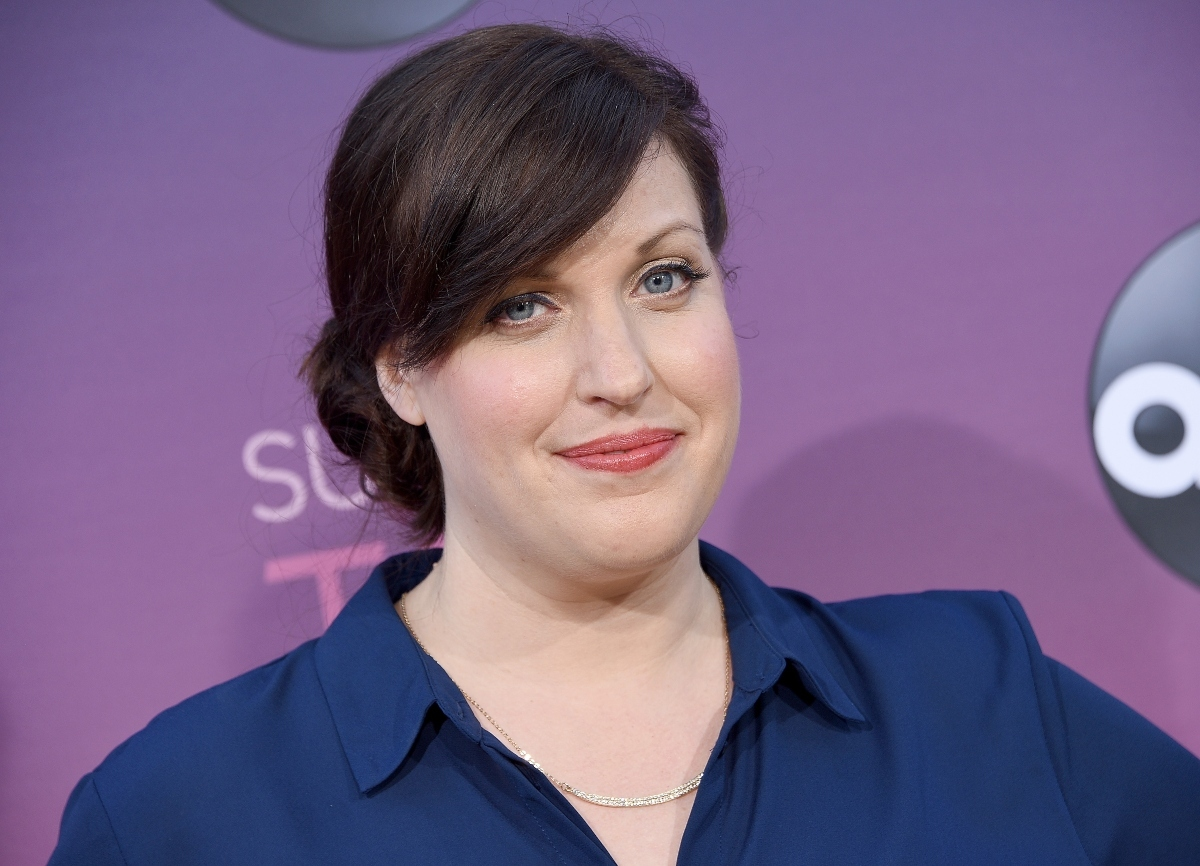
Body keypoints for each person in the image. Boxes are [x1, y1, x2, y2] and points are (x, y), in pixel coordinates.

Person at [49, 22, 1199, 866]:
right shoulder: (176, 817)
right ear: (399, 365)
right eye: (521, 304)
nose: (621, 371)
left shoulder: (980, 699)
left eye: (663, 278)